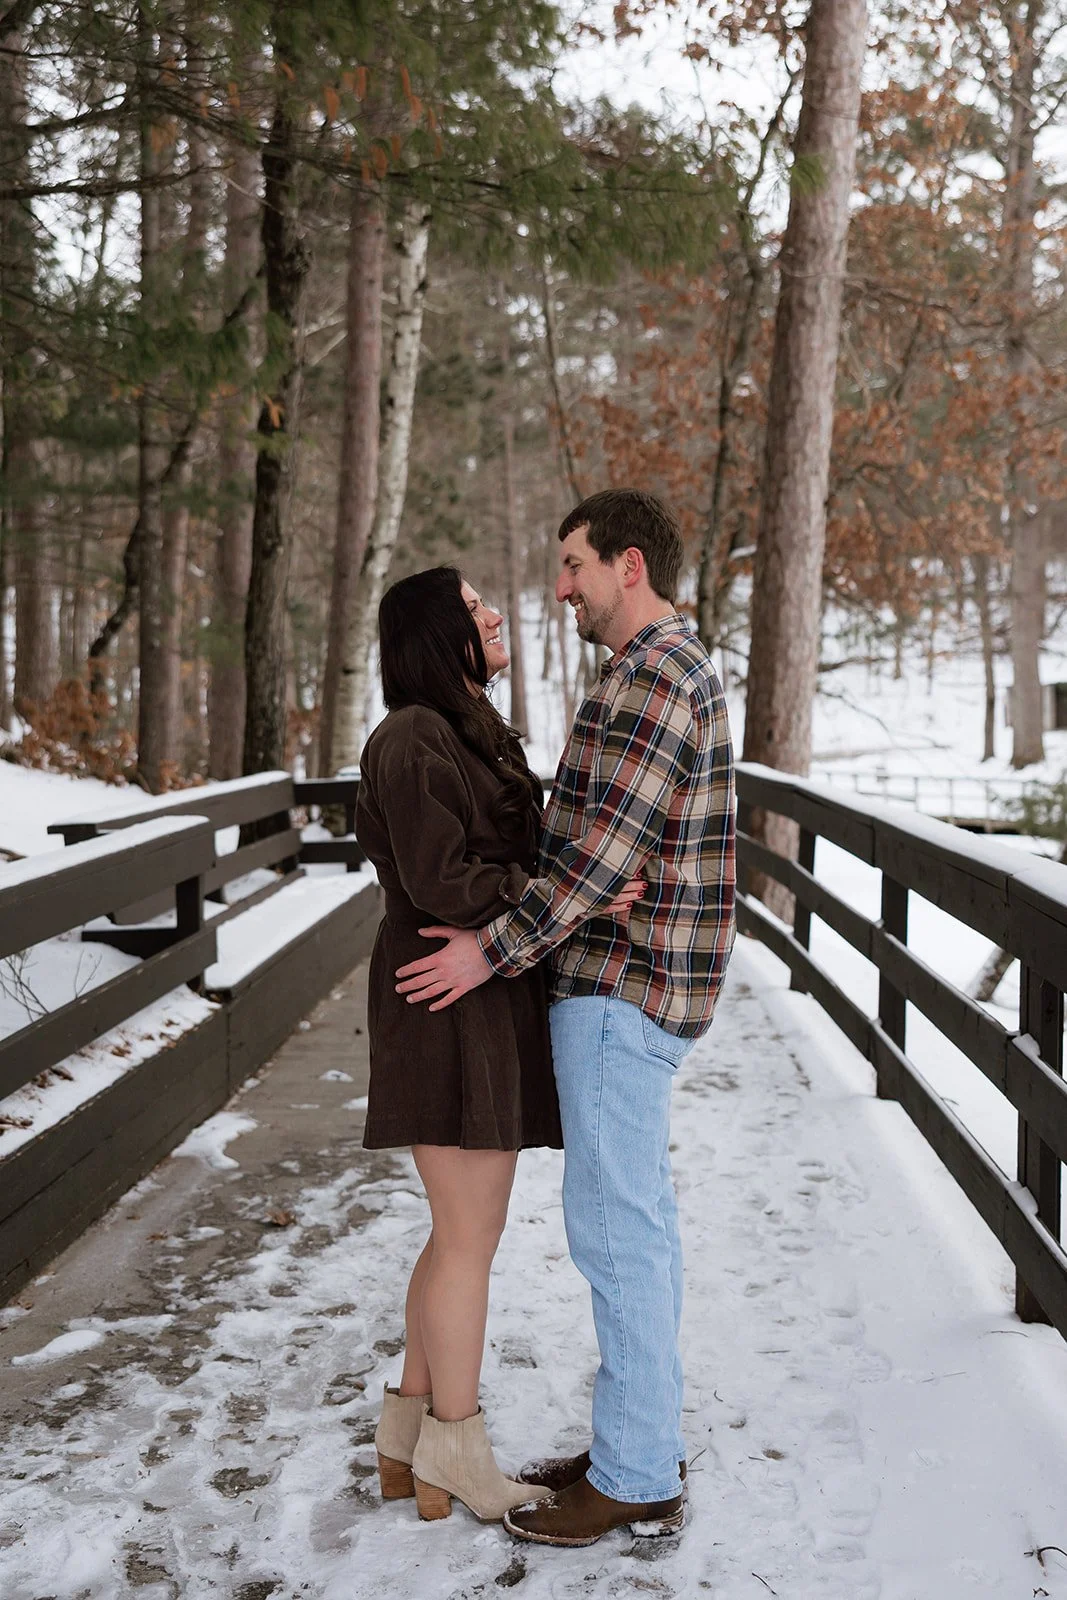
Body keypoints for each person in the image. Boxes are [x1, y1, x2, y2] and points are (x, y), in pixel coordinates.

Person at [395, 489, 736, 1547]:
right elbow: (590, 848)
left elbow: (587, 861)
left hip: (622, 991)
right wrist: (588, 880)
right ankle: (629, 1438)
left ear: (627, 565)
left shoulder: (655, 677)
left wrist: (488, 947)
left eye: (573, 566)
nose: (559, 589)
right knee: (628, 1229)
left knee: (618, 1234)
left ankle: (633, 1473)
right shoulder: (646, 673)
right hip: (621, 979)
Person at [355, 564, 644, 1526]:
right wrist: (568, 895)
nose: (493, 615)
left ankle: (406, 1445)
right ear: (438, 636)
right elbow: (445, 881)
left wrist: (561, 885)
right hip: (442, 1005)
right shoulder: (412, 736)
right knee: (469, 1245)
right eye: (473, 610)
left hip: (472, 999)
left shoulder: (463, 727)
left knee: (455, 1238)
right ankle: (457, 1451)